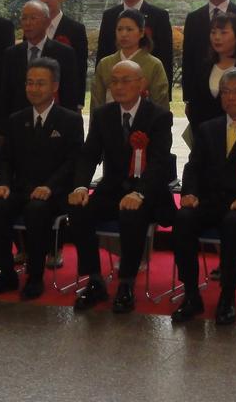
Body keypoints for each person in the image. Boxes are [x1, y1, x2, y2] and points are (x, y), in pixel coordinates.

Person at [171, 68, 236, 325]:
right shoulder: (208, 128)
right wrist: (189, 193)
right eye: (226, 92)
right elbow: (193, 167)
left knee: (234, 222)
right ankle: (191, 294)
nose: (230, 97)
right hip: (211, 202)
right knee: (183, 218)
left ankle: (227, 296)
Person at [69, 60, 175, 315]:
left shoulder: (159, 116)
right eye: (114, 81)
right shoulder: (103, 115)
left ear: (141, 84)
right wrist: (81, 186)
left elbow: (159, 163)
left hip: (148, 191)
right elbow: (89, 155)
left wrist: (139, 192)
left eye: (126, 81)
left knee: (131, 213)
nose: (118, 86)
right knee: (78, 209)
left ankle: (126, 283)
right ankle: (95, 280)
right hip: (113, 189)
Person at [0, 57, 83, 300]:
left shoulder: (70, 120)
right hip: (21, 188)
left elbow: (73, 162)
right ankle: (6, 273)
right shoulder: (17, 119)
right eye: (30, 83)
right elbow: (5, 159)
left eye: (40, 83)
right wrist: (4, 184)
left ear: (54, 86)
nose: (34, 88)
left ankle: (35, 276)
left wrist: (50, 187)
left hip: (54, 192)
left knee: (37, 209)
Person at [0, 0, 78, 134]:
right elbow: (5, 95)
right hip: (18, 126)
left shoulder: (64, 53)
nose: (27, 23)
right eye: (24, 18)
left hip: (54, 125)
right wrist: (2, 131)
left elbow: (69, 94)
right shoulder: (11, 54)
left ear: (47, 22)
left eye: (33, 18)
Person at [183, 12, 236, 146]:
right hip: (204, 137)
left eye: (223, 33)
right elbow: (195, 103)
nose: (217, 37)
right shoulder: (204, 66)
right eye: (213, 32)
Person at [95, 0, 174, 85]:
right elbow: (102, 53)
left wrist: (164, 91)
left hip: (148, 85)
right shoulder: (109, 16)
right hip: (115, 85)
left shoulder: (159, 16)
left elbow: (166, 58)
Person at [91, 8, 169, 114]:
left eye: (129, 29)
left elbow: (161, 103)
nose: (123, 34)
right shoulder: (105, 64)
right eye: (119, 29)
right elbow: (97, 102)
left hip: (145, 120)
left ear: (141, 32)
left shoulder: (154, 64)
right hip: (109, 120)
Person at [38, 0, 88, 109]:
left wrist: (79, 101)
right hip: (38, 95)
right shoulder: (34, 28)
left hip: (66, 95)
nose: (45, 0)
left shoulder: (76, 29)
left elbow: (81, 66)